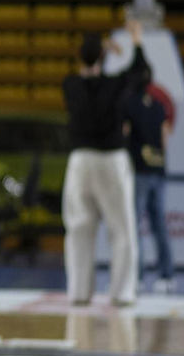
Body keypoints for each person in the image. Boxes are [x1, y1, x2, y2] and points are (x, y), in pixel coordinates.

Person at [61, 18, 149, 308]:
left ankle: (79, 292)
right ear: (103, 57)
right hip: (111, 159)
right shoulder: (114, 84)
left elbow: (88, 76)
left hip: (80, 161)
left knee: (78, 229)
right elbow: (141, 74)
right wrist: (135, 42)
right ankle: (122, 292)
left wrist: (99, 51)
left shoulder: (70, 85)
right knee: (121, 229)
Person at [122, 69, 175, 293]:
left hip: (139, 170)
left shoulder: (129, 105)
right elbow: (165, 137)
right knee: (159, 223)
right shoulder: (158, 106)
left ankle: (137, 276)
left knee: (134, 224)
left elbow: (124, 133)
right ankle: (167, 275)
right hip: (158, 169)